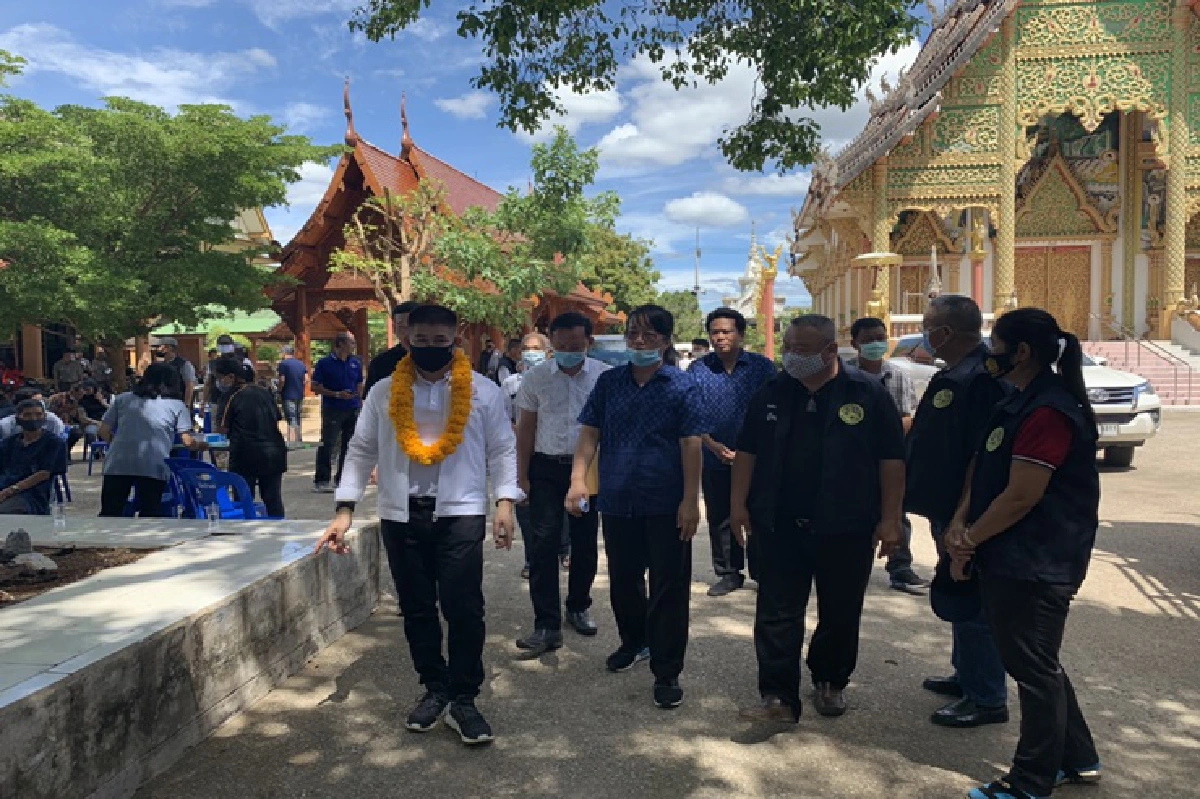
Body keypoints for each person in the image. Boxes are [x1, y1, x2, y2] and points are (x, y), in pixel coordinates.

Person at [316, 304, 521, 746]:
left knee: (463, 606)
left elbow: (504, 450)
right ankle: (435, 686)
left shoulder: (484, 392)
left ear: (456, 339)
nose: (430, 349)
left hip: (461, 508)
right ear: (406, 338)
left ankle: (465, 696)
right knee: (418, 606)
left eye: (440, 341)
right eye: (420, 341)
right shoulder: (384, 392)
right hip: (400, 511)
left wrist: (505, 504)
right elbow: (360, 449)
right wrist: (344, 509)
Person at [946, 308, 1101, 799]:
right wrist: (961, 522)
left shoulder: (1049, 410)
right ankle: (1077, 756)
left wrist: (969, 540)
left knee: (1034, 670)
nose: (991, 355)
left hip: (1038, 560)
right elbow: (984, 465)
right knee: (1039, 661)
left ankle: (1031, 780)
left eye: (997, 346)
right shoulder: (1017, 403)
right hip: (1009, 554)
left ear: (1023, 352)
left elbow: (1022, 495)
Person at [731, 315, 905, 723]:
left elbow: (892, 460)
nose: (792, 357)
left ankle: (830, 679)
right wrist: (738, 506)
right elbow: (747, 452)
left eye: (803, 351)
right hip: (779, 523)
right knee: (776, 611)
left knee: (841, 610)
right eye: (789, 348)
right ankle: (776, 696)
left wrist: (891, 519)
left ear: (831, 351)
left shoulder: (867, 394)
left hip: (846, 524)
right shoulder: (771, 392)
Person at [568, 304, 704, 710]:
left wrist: (690, 502)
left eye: (649, 335)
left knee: (669, 587)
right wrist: (578, 480)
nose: (640, 341)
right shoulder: (611, 383)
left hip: (665, 501)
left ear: (665, 341)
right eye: (634, 334)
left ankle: (666, 671)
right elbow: (590, 434)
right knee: (624, 581)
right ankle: (633, 641)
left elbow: (691, 444)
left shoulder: (681, 386)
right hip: (617, 499)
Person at [906, 295, 1012, 729]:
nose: (925, 334)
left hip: (965, 510)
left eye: (928, 325)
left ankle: (986, 696)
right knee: (956, 584)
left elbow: (980, 455)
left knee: (971, 597)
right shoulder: (956, 372)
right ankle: (966, 674)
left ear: (945, 332)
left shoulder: (981, 378)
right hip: (945, 505)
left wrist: (963, 517)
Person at [513, 314, 610, 655]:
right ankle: (546, 624)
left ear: (589, 343)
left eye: (576, 346)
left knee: (584, 544)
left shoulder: (604, 377)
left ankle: (578, 605)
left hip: (589, 471)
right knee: (542, 545)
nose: (569, 351)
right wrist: (521, 476)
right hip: (545, 468)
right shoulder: (536, 378)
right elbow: (525, 429)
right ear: (552, 343)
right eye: (563, 346)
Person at [687, 307, 776, 597]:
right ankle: (728, 571)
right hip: (714, 455)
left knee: (761, 513)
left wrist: (752, 450)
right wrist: (711, 444)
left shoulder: (763, 368)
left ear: (740, 334)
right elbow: (690, 415)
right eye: (715, 332)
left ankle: (764, 571)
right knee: (720, 515)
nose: (720, 337)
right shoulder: (698, 370)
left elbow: (775, 412)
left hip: (758, 456)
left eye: (727, 331)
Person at [846, 317, 927, 594]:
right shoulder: (844, 377)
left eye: (880, 338)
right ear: (854, 343)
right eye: (868, 340)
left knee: (896, 509)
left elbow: (907, 416)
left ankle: (900, 567)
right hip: (852, 458)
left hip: (890, 456)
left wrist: (887, 441)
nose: (875, 344)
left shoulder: (898, 375)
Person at [98, 363, 205, 517]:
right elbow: (187, 441)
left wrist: (119, 443)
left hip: (118, 461)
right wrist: (201, 445)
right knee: (150, 512)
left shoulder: (122, 399)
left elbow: (103, 431)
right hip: (153, 463)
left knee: (110, 511)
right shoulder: (177, 405)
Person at [211, 359, 288, 517]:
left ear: (231, 377)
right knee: (273, 499)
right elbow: (276, 418)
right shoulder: (264, 392)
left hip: (245, 454)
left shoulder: (231, 396)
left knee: (244, 500)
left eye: (219, 377)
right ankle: (280, 529)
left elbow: (222, 428)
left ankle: (246, 534)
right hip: (274, 452)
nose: (219, 382)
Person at [311, 332, 364, 493]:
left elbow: (360, 383)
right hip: (333, 408)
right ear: (340, 344)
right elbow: (315, 386)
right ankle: (322, 479)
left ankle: (343, 478)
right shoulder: (324, 363)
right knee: (328, 443)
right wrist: (336, 394)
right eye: (351, 343)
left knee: (349, 445)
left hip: (352, 407)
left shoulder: (355, 363)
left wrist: (360, 401)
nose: (354, 346)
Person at [0, 399, 68, 515]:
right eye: (27, 415)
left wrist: (10, 491)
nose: (34, 418)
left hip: (31, 495)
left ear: (44, 416)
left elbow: (43, 474)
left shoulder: (54, 443)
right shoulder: (9, 443)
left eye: (38, 414)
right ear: (18, 417)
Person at [365, 301, 420, 397]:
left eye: (412, 326)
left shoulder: (442, 359)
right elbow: (369, 402)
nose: (407, 332)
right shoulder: (380, 363)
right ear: (394, 329)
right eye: (402, 327)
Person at [48, 383, 102, 459]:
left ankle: (67, 450)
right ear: (74, 392)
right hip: (55, 423)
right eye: (80, 393)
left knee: (77, 433)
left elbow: (80, 417)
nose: (82, 396)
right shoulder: (58, 398)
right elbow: (51, 412)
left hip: (70, 424)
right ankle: (63, 453)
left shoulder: (76, 402)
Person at [0, 388, 66, 439]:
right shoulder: (5, 426)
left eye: (42, 400)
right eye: (37, 402)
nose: (41, 404)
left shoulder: (52, 421)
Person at [276, 345, 308, 443]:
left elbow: (282, 379)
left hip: (288, 394)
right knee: (298, 416)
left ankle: (293, 440)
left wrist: (279, 390)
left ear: (284, 353)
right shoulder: (301, 364)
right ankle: (299, 438)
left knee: (291, 417)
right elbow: (306, 379)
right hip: (299, 393)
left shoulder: (283, 364)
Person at [157, 337, 197, 408]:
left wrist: (186, 405)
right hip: (163, 404)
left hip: (178, 403)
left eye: (162, 346)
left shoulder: (184, 364)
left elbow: (189, 386)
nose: (159, 349)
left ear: (170, 348)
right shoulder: (160, 365)